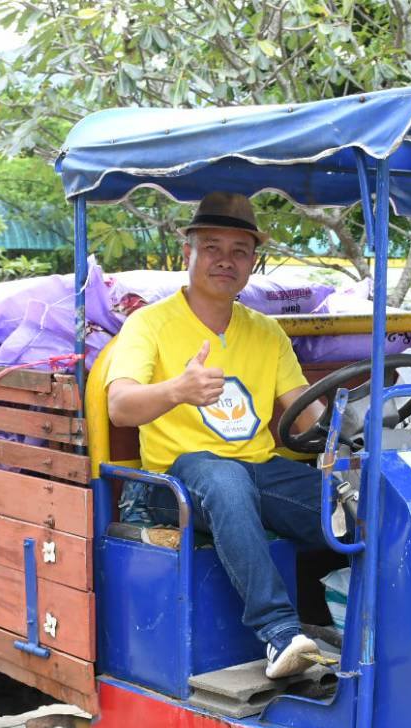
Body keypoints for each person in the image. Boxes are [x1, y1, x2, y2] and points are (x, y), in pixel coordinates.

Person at [106, 192, 327, 679]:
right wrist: (178, 390)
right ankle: (280, 634)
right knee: (225, 481)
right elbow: (119, 407)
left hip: (256, 471)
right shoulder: (149, 324)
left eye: (239, 251)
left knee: (354, 501)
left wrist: (353, 426)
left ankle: (372, 624)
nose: (226, 260)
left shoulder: (266, 331)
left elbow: (308, 416)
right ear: (188, 252)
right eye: (212, 247)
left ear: (252, 263)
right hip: (173, 483)